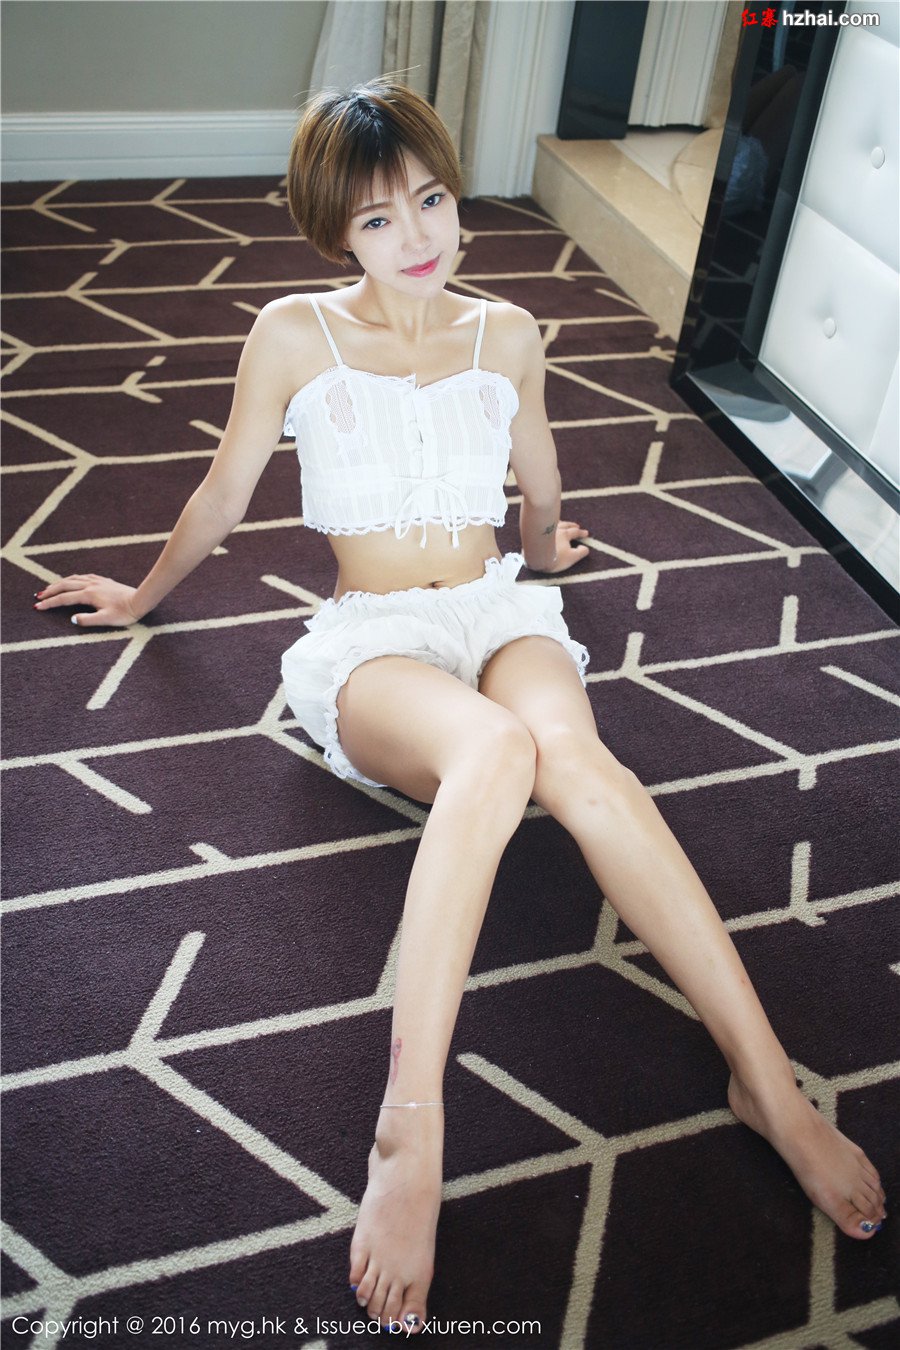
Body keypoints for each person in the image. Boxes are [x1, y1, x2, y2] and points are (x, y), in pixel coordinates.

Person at [34, 80, 885, 1336]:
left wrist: (547, 551)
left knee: (581, 766)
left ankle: (766, 1082)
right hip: (376, 642)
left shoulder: (509, 331)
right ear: (338, 234)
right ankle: (409, 1129)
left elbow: (537, 478)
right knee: (493, 750)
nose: (419, 235)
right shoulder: (293, 335)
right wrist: (140, 596)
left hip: (495, 609)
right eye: (380, 220)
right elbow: (223, 493)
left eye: (431, 199)